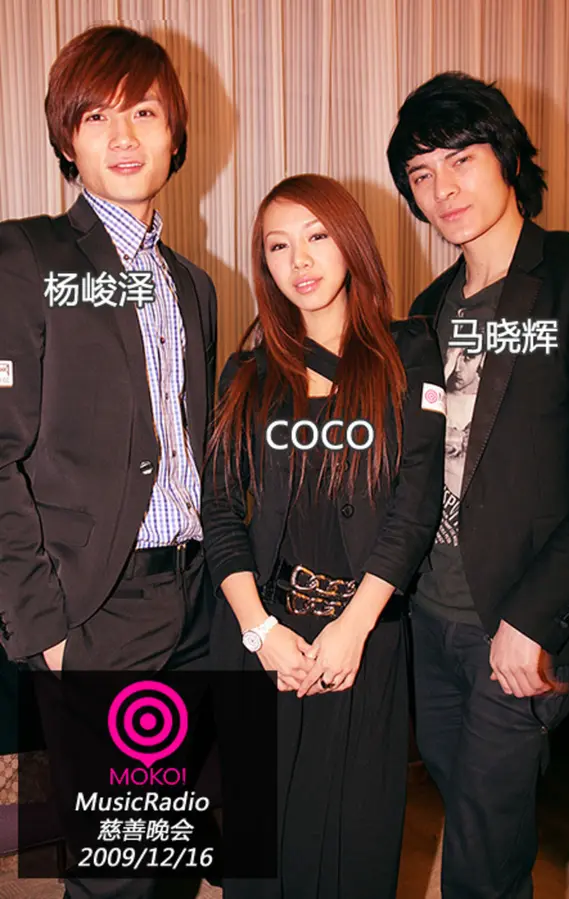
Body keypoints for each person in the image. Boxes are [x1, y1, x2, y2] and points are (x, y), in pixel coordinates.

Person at [0, 25, 217, 899]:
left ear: (176, 134)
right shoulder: (26, 258)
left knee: (171, 854)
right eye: (96, 117)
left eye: (144, 113)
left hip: (198, 601)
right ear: (67, 139)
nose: (123, 136)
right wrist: (45, 630)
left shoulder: (193, 283)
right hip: (99, 609)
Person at [201, 173, 445, 898]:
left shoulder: (409, 352)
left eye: (316, 236)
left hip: (363, 636)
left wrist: (352, 627)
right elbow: (220, 511)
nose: (299, 260)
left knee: (352, 847)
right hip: (266, 634)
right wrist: (261, 633)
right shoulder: (247, 372)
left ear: (351, 244)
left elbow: (414, 504)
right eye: (278, 246)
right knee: (260, 855)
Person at [387, 70, 569, 898]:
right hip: (431, 616)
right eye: (421, 173)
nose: (442, 189)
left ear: (507, 157)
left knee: (482, 844)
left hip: (519, 623)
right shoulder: (429, 306)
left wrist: (535, 617)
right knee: (463, 802)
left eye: (461, 159)